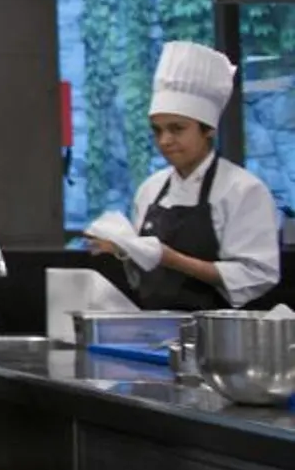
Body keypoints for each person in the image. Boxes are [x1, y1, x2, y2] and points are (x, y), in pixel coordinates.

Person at [87, 40, 282, 310]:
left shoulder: (242, 190)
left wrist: (170, 258)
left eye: (177, 129)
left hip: (218, 336)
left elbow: (257, 275)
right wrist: (123, 251)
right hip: (155, 332)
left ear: (209, 130)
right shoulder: (150, 189)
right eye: (157, 130)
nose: (165, 140)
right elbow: (142, 279)